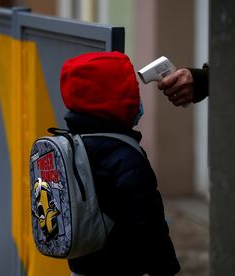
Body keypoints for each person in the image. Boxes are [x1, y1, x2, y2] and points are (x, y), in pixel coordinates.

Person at [60, 51, 180, 276]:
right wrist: (166, 268)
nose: (139, 100)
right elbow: (149, 224)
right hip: (122, 266)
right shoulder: (125, 157)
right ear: (116, 101)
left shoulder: (73, 146)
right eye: (134, 92)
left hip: (81, 265)